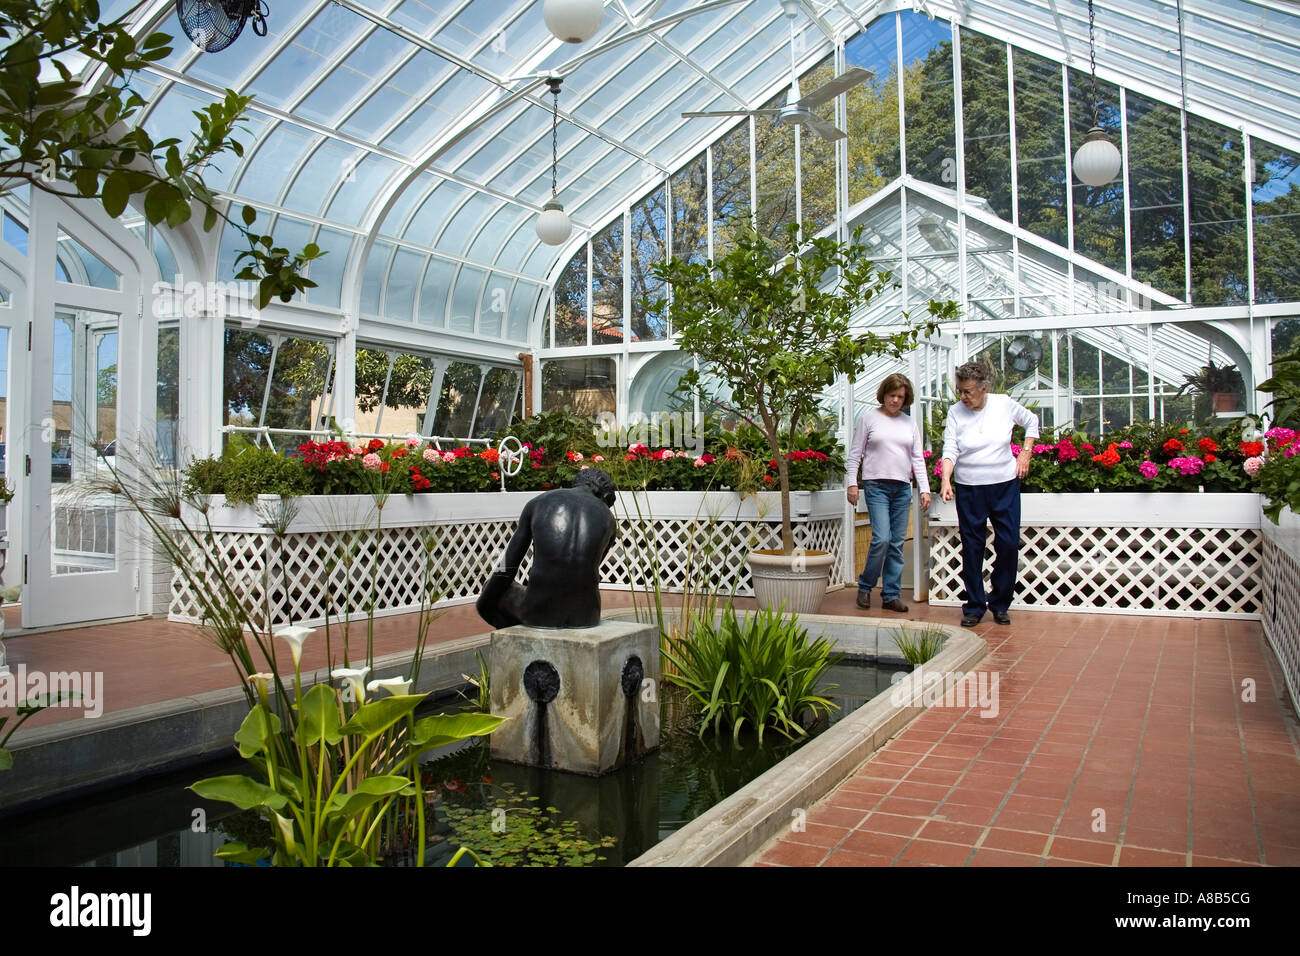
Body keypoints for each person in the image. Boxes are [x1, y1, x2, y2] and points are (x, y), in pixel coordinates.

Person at [939, 361, 1039, 627]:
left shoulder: (1003, 404)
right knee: (972, 547)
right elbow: (950, 449)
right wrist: (946, 479)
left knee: (1007, 544)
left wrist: (1025, 453)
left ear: (984, 388)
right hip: (969, 488)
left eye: (968, 391)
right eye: (960, 390)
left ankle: (1000, 603)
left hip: (1004, 485)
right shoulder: (955, 412)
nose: (963, 397)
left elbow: (1031, 421)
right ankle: (974, 606)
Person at [476, 468, 617, 629]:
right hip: (587, 616)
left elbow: (507, 567)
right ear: (604, 495)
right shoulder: (610, 520)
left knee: (494, 586)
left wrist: (483, 604)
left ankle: (519, 640)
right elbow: (587, 572)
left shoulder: (538, 502)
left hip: (539, 612)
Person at [845, 373, 931, 612]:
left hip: (902, 488)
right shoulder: (868, 419)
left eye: (901, 397)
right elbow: (855, 454)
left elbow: (917, 458)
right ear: (883, 394)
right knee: (882, 539)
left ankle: (890, 595)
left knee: (896, 543)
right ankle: (865, 585)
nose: (895, 400)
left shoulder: (909, 423)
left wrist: (924, 489)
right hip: (876, 487)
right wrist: (852, 483)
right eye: (892, 395)